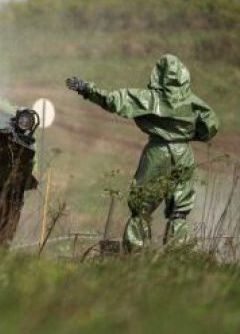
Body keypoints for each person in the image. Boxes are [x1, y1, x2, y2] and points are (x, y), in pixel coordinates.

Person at [66, 54, 219, 252]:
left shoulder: (149, 98)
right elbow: (211, 126)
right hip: (183, 153)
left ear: (158, 75)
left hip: (158, 152)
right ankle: (178, 254)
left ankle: (135, 253)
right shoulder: (194, 103)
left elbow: (112, 101)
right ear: (184, 76)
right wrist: (189, 136)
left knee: (142, 204)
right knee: (179, 210)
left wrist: (86, 89)